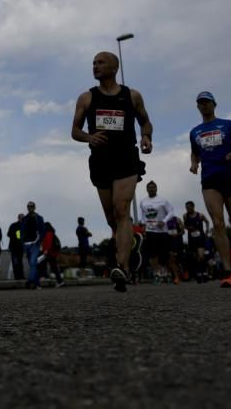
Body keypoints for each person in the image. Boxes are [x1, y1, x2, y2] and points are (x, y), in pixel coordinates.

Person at [71, 51, 154, 292]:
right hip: (100, 162)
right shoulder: (86, 98)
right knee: (112, 219)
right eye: (93, 63)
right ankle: (133, 241)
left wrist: (146, 136)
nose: (95, 66)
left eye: (100, 62)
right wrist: (89, 137)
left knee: (121, 210)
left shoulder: (132, 96)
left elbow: (145, 121)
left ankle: (123, 268)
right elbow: (74, 131)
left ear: (114, 67)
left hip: (127, 159)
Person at [188, 91, 231, 288]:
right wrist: (194, 164)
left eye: (207, 102)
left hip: (230, 177)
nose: (204, 105)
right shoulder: (195, 132)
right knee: (217, 223)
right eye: (201, 103)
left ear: (214, 104)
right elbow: (194, 153)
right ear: (198, 107)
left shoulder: (229, 125)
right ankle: (228, 272)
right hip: (209, 181)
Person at [139, 181, 176, 284]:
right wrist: (143, 223)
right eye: (149, 188)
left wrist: (164, 221)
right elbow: (142, 214)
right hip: (150, 230)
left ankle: (164, 272)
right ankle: (157, 273)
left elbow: (171, 211)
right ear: (147, 189)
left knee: (164, 253)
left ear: (156, 189)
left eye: (153, 187)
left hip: (162, 231)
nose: (151, 189)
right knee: (152, 254)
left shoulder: (163, 200)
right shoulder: (143, 202)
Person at [21, 202, 46, 289]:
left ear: (35, 207)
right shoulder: (24, 219)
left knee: (33, 262)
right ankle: (37, 284)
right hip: (26, 245)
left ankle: (30, 280)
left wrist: (38, 241)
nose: (29, 207)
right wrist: (23, 245)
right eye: (28, 206)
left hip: (35, 244)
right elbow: (22, 232)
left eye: (31, 206)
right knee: (32, 265)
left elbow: (43, 231)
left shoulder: (39, 218)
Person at [184, 201, 210, 283]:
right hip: (191, 239)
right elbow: (184, 225)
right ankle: (199, 274)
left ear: (193, 207)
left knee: (201, 256)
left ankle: (204, 273)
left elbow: (207, 222)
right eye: (186, 207)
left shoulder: (200, 215)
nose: (188, 209)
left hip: (200, 238)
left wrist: (207, 231)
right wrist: (188, 228)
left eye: (189, 207)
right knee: (195, 258)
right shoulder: (185, 216)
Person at [40, 222, 65, 287]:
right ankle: (59, 280)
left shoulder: (48, 233)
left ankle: (59, 281)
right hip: (53, 253)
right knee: (53, 267)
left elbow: (49, 243)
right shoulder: (52, 233)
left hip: (50, 253)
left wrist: (46, 250)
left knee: (53, 267)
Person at [7, 214, 25, 281]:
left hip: (21, 247)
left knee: (20, 262)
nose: (23, 219)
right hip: (14, 247)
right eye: (22, 218)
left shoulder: (25, 226)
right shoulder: (13, 225)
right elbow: (8, 234)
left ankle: (21, 276)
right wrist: (16, 235)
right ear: (18, 218)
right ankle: (17, 277)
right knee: (15, 262)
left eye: (24, 218)